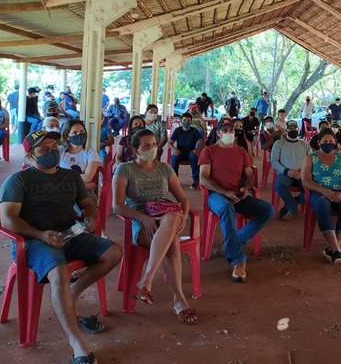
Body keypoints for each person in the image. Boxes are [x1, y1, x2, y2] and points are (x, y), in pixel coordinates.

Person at [0, 129, 123, 363]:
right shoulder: (19, 181)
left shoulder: (71, 177)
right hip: (33, 241)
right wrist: (41, 234)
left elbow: (87, 203)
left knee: (114, 251)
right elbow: (8, 219)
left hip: (68, 235)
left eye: (55, 147)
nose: (51, 152)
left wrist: (90, 216)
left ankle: (72, 294)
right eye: (44, 149)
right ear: (29, 157)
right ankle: (78, 344)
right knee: (60, 271)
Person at [112, 129, 197, 325]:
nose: (152, 148)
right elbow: (117, 206)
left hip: (166, 217)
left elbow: (182, 198)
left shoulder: (165, 168)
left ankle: (147, 280)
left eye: (154, 144)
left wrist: (184, 216)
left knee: (172, 219)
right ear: (135, 150)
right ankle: (179, 300)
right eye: (146, 145)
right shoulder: (125, 169)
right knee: (171, 238)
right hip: (141, 224)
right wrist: (143, 218)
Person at [199, 117, 275, 282]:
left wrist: (246, 188)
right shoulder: (209, 151)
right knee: (227, 208)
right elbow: (203, 178)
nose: (228, 133)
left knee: (268, 210)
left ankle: (236, 239)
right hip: (217, 196)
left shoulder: (241, 152)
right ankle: (238, 260)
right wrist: (224, 192)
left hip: (238, 194)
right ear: (218, 132)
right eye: (224, 130)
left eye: (231, 130)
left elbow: (249, 175)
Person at [301, 128, 341, 264]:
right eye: (325, 141)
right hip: (319, 193)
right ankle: (337, 249)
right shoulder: (311, 158)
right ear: (319, 142)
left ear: (335, 142)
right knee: (322, 205)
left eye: (331, 141)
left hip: (340, 192)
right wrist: (322, 190)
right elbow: (306, 180)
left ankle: (333, 248)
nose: (328, 143)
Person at [271, 120, 311, 221]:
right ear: (287, 130)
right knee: (279, 184)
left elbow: (311, 161)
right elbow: (274, 161)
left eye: (296, 128)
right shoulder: (279, 143)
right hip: (285, 174)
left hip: (302, 174)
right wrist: (286, 171)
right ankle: (293, 208)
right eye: (291, 129)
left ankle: (292, 202)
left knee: (313, 188)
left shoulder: (305, 144)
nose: (294, 130)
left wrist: (302, 172)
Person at [59, 119, 100, 192]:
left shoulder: (91, 153)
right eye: (75, 133)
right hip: (62, 192)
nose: (79, 135)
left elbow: (87, 178)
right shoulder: (59, 152)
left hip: (82, 193)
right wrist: (84, 185)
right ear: (67, 136)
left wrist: (63, 180)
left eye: (82, 131)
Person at [168, 113, 204, 189]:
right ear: (181, 121)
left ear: (191, 122)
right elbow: (170, 143)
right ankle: (173, 180)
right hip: (180, 152)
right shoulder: (178, 130)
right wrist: (175, 149)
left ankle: (195, 180)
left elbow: (201, 142)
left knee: (194, 157)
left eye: (188, 121)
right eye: (184, 120)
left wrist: (197, 149)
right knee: (174, 157)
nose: (186, 122)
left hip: (191, 152)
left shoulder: (194, 131)